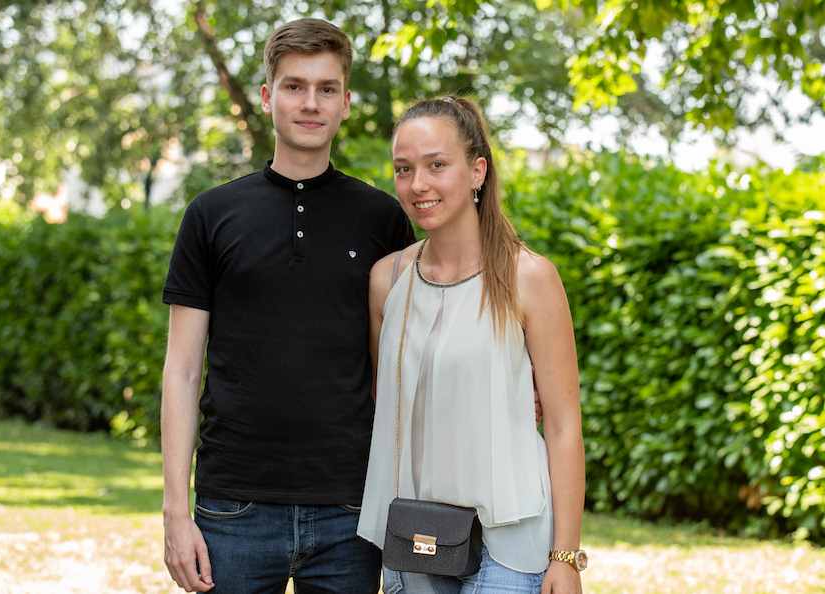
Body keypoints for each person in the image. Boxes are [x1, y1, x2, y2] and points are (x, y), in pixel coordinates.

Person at [160, 18, 415, 594]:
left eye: (327, 88)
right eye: (294, 86)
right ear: (266, 96)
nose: (310, 103)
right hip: (233, 507)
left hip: (351, 508)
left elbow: (408, 357)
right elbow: (182, 370)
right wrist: (176, 511)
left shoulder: (382, 219)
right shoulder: (210, 214)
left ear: (346, 102)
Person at [357, 96, 587, 594]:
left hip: (511, 544)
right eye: (404, 169)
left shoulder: (529, 277)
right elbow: (387, 401)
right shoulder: (386, 281)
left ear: (477, 171)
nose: (418, 184)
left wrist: (566, 557)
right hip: (415, 537)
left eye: (437, 165)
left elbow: (564, 425)